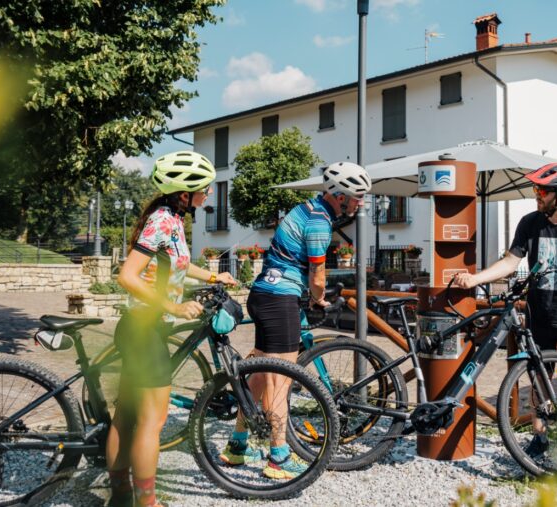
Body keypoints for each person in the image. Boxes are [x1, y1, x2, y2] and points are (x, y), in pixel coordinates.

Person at [219, 161, 371, 479]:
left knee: (260, 376)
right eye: (357, 196)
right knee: (280, 381)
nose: (360, 203)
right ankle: (278, 458)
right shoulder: (319, 223)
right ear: (339, 195)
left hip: (264, 293)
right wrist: (320, 299)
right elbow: (317, 275)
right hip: (280, 300)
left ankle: (237, 445)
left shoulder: (305, 208)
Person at [106, 151, 237, 507]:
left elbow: (178, 264)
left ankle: (119, 497)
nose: (209, 194)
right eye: (204, 189)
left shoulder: (171, 219)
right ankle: (146, 503)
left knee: (128, 415)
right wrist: (174, 306)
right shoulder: (163, 221)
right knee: (152, 421)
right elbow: (128, 276)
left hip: (140, 329)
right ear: (184, 194)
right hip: (144, 330)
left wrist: (212, 275)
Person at [452, 162, 557, 456]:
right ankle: (541, 436)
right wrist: (475, 278)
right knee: (539, 378)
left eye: (542, 190)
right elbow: (511, 262)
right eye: (535, 189)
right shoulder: (529, 223)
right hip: (539, 316)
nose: (536, 195)